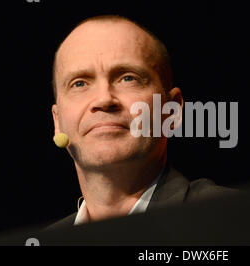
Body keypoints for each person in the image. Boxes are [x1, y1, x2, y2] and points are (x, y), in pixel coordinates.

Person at [46, 15, 236, 230]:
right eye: (79, 83)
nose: (104, 99)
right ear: (58, 122)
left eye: (128, 78)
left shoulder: (233, 220)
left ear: (171, 111)